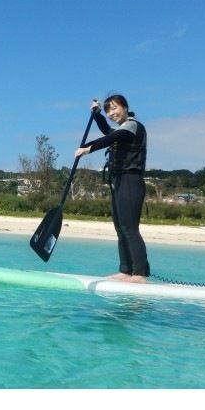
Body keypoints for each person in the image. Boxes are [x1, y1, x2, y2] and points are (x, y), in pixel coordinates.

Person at [74, 95, 150, 283]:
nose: (111, 113)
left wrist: (88, 148)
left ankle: (139, 274)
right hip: (119, 181)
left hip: (131, 181)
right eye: (108, 110)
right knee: (120, 227)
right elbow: (108, 131)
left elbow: (112, 137)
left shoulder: (133, 126)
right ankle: (125, 270)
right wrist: (98, 114)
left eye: (114, 108)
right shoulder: (121, 128)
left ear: (125, 107)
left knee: (130, 228)